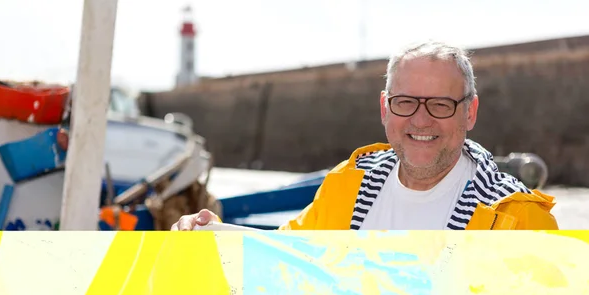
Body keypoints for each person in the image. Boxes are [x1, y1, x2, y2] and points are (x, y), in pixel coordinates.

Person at [171, 40, 559, 231]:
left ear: (470, 112)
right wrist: (216, 233)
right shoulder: (348, 184)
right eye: (406, 102)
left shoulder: (519, 219)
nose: (421, 121)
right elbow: (289, 257)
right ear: (384, 108)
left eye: (441, 105)